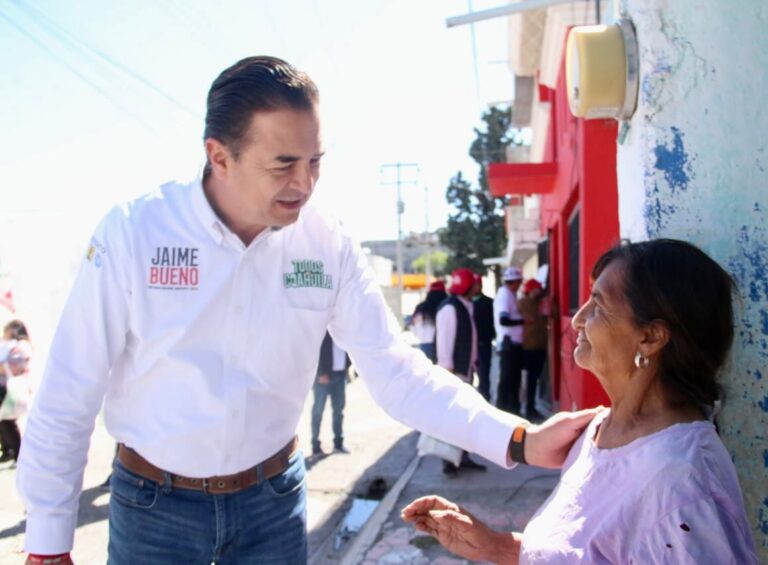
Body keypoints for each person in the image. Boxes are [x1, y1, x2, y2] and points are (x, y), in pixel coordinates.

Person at [17, 56, 601, 565]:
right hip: (153, 509)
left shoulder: (325, 242)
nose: (305, 183)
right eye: (284, 163)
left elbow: (394, 369)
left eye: (316, 161)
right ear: (219, 157)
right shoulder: (133, 234)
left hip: (272, 503)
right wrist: (47, 539)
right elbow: (69, 389)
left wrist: (520, 439)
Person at [402, 239, 758, 564]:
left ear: (650, 337)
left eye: (599, 305)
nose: (579, 319)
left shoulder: (682, 485)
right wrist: (495, 546)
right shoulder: (596, 432)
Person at [435, 268, 486, 476]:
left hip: (465, 370)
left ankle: (462, 457)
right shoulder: (450, 308)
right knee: (451, 419)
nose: (477, 286)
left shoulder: (464, 305)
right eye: (474, 283)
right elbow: (444, 342)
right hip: (453, 372)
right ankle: (448, 462)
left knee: (463, 418)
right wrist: (447, 370)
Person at [311, 331, 351, 456]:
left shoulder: (344, 331)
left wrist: (347, 367)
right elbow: (314, 350)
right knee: (318, 411)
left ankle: (338, 444)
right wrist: (320, 373)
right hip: (323, 378)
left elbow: (350, 350)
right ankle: (315, 446)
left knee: (339, 411)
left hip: (340, 376)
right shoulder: (323, 329)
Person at [0, 319, 32, 465]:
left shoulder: (21, 346)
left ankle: (17, 453)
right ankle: (9, 451)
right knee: (5, 421)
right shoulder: (12, 345)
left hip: (12, 387)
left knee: (8, 421)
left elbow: (13, 365)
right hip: (7, 386)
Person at [494, 266, 525, 414]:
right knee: (508, 380)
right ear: (515, 282)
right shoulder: (505, 295)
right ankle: (503, 410)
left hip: (512, 343)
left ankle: (511, 409)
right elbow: (504, 320)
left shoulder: (509, 294)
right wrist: (523, 321)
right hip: (508, 343)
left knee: (512, 380)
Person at [518, 279, 547, 421]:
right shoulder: (521, 303)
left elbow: (554, 313)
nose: (539, 291)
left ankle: (531, 407)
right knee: (528, 381)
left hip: (540, 347)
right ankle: (528, 409)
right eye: (537, 289)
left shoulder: (541, 303)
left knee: (535, 380)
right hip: (528, 348)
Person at [471, 273, 495, 402]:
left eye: (478, 284)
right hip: (468, 346)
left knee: (484, 375)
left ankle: (485, 400)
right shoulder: (463, 303)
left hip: (483, 344)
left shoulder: (489, 302)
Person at [408, 280, 446, 362]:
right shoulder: (446, 307)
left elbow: (412, 326)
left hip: (425, 344)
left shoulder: (421, 308)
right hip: (444, 345)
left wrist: (421, 335)